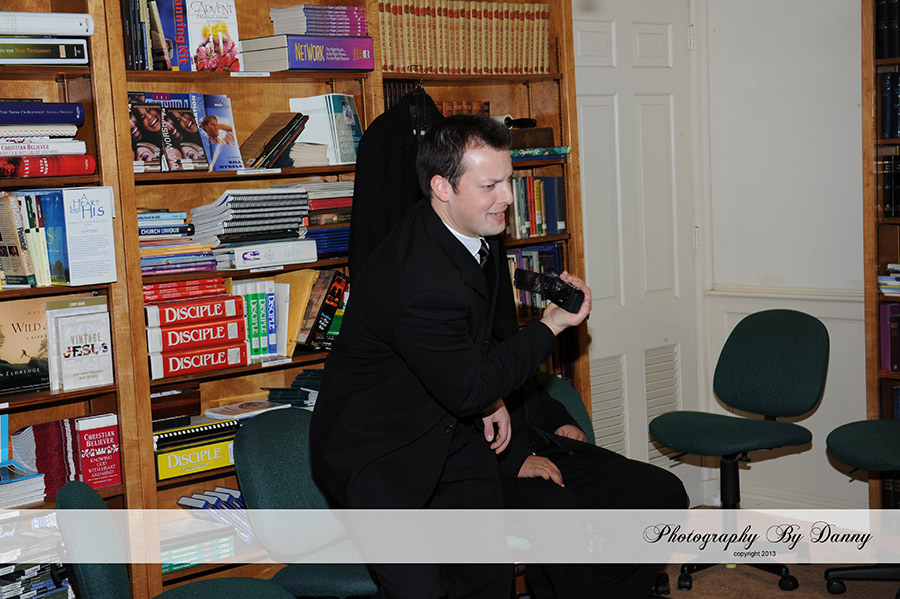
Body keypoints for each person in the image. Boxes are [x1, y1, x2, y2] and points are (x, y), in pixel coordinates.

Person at [309, 114, 592, 599]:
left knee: (486, 574)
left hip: (448, 425)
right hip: (376, 452)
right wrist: (550, 325)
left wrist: (491, 401)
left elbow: (468, 348)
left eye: (508, 180)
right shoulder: (422, 281)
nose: (507, 197)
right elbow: (469, 388)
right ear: (442, 187)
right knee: (421, 590)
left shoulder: (465, 228)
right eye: (490, 186)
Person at [498, 372, 689, 598]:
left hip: (544, 452)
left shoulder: (502, 350)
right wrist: (514, 462)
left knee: (663, 490)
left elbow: (533, 395)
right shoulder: (461, 358)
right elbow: (460, 431)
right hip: (489, 472)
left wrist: (561, 422)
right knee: (558, 510)